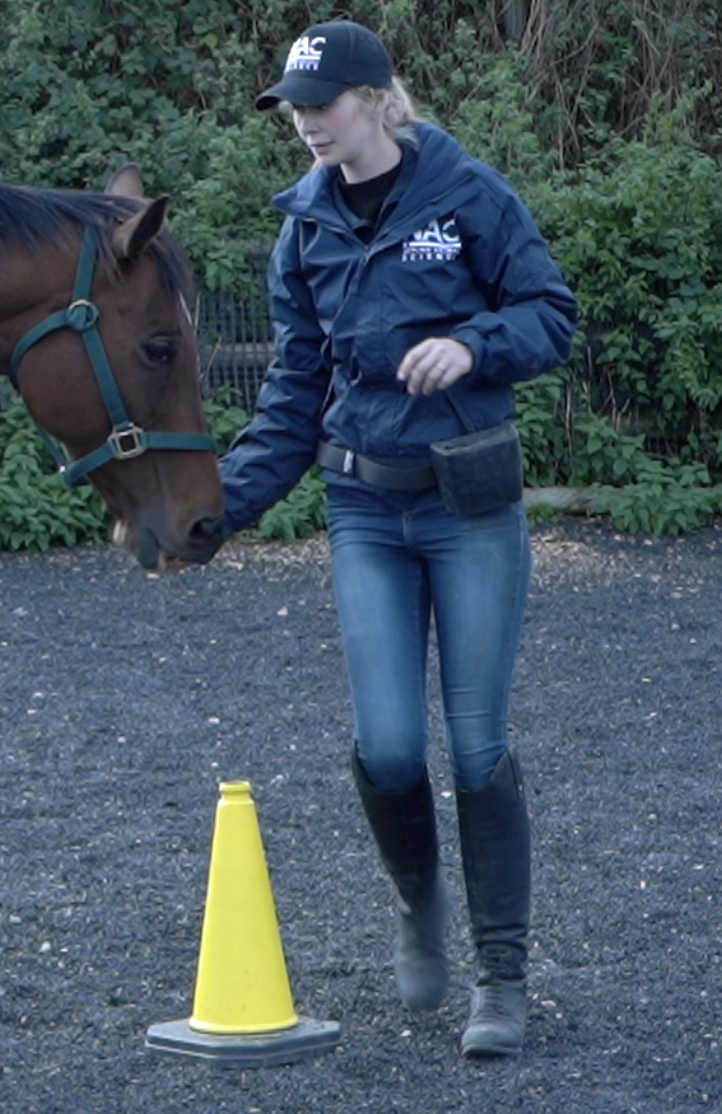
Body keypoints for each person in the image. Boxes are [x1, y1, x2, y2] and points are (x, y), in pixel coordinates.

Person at [221, 20, 578, 1059]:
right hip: (365, 510)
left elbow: (550, 314)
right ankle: (419, 906)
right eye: (294, 107)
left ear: (377, 98)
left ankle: (500, 979)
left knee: (477, 746)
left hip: (470, 509)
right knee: (385, 746)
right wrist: (218, 511)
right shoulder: (304, 231)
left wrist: (473, 343)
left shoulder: (469, 197)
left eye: (322, 102)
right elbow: (293, 394)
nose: (306, 122)